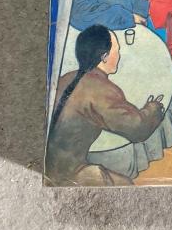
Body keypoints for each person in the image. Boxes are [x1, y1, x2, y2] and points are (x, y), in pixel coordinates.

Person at [45, 24, 165, 186]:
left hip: (49, 162)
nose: (119, 55)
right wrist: (153, 108)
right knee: (126, 185)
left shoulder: (67, 78)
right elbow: (137, 129)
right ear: (105, 57)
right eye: (117, 50)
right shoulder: (101, 90)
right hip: (67, 174)